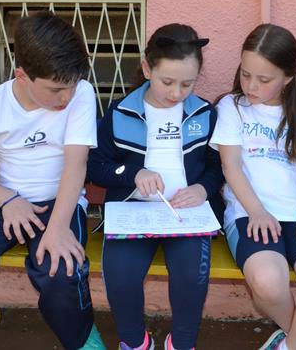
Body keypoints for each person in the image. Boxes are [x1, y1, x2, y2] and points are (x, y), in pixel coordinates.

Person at [0, 11, 105, 350]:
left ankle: (81, 338)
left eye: (71, 86)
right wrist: (9, 200)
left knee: (60, 271)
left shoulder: (81, 93)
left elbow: (76, 163)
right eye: (56, 90)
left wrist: (57, 229)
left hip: (60, 202)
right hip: (6, 201)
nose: (66, 97)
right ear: (22, 75)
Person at [87, 23, 225, 350]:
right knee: (121, 277)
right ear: (147, 69)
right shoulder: (121, 112)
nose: (176, 93)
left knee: (191, 277)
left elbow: (219, 165)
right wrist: (133, 173)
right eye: (167, 82)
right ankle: (136, 343)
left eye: (187, 84)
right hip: (133, 213)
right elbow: (95, 166)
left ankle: (182, 343)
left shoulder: (204, 113)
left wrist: (203, 189)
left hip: (187, 215)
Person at [211, 23, 296, 350]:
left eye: (264, 79)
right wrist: (257, 212)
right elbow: (231, 166)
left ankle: (291, 345)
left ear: (287, 77)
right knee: (268, 282)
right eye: (245, 74)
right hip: (249, 213)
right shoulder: (232, 107)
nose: (251, 85)